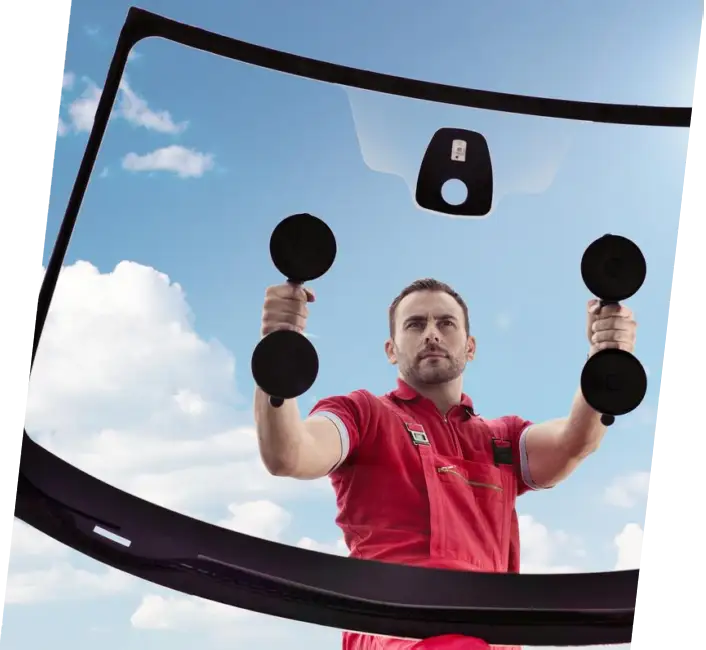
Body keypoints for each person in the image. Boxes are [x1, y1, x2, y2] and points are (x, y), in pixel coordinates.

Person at [254, 278, 638, 650]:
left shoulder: (501, 437)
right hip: (394, 630)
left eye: (446, 323)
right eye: (415, 324)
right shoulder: (363, 414)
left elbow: (575, 441)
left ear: (470, 347)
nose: (431, 334)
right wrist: (278, 350)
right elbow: (289, 453)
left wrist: (603, 357)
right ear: (391, 349)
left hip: (492, 636)